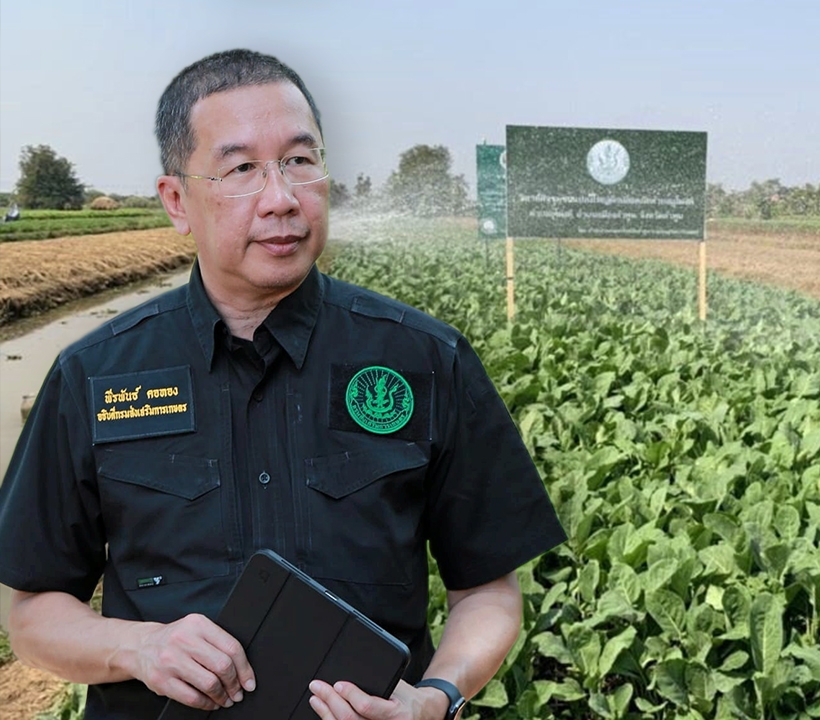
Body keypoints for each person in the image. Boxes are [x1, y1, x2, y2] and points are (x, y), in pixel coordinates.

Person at [0, 49, 565, 720]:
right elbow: (33, 613)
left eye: (301, 160)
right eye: (242, 169)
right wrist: (140, 649)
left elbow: (489, 590)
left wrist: (437, 696)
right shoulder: (95, 375)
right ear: (177, 201)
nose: (281, 198)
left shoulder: (425, 358)